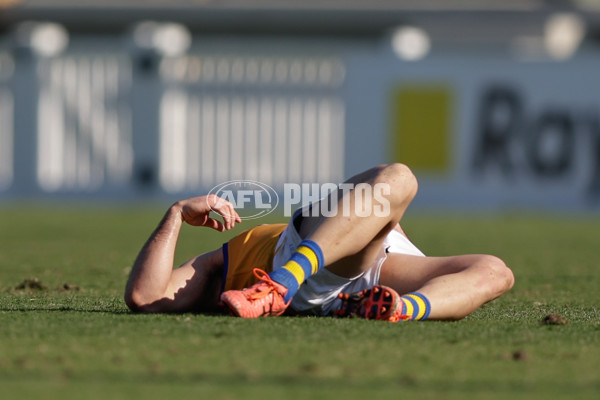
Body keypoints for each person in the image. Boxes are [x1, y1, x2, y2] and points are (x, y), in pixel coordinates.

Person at [124, 163, 514, 321]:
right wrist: (176, 212)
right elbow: (144, 296)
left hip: (375, 274)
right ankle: (281, 283)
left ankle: (396, 310)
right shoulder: (215, 265)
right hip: (299, 265)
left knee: (496, 272)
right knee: (399, 178)